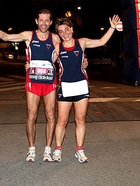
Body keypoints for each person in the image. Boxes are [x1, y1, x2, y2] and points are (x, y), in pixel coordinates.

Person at [0, 9, 60, 163]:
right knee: (31, 116)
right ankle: (31, 150)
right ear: (36, 21)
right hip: (33, 81)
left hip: (50, 82)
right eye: (41, 20)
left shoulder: (56, 38)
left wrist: (82, 62)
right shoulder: (28, 35)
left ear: (50, 22)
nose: (44, 23)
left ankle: (47, 150)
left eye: (47, 20)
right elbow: (6, 36)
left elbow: (66, 54)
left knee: (51, 115)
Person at [51, 14, 120, 163]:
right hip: (65, 87)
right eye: (61, 31)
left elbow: (101, 41)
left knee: (80, 119)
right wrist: (31, 65)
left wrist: (112, 27)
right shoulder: (57, 47)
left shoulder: (81, 43)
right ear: (58, 34)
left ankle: (79, 150)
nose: (64, 33)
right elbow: (47, 62)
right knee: (62, 121)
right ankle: (57, 150)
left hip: (81, 85)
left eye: (66, 29)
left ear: (72, 29)